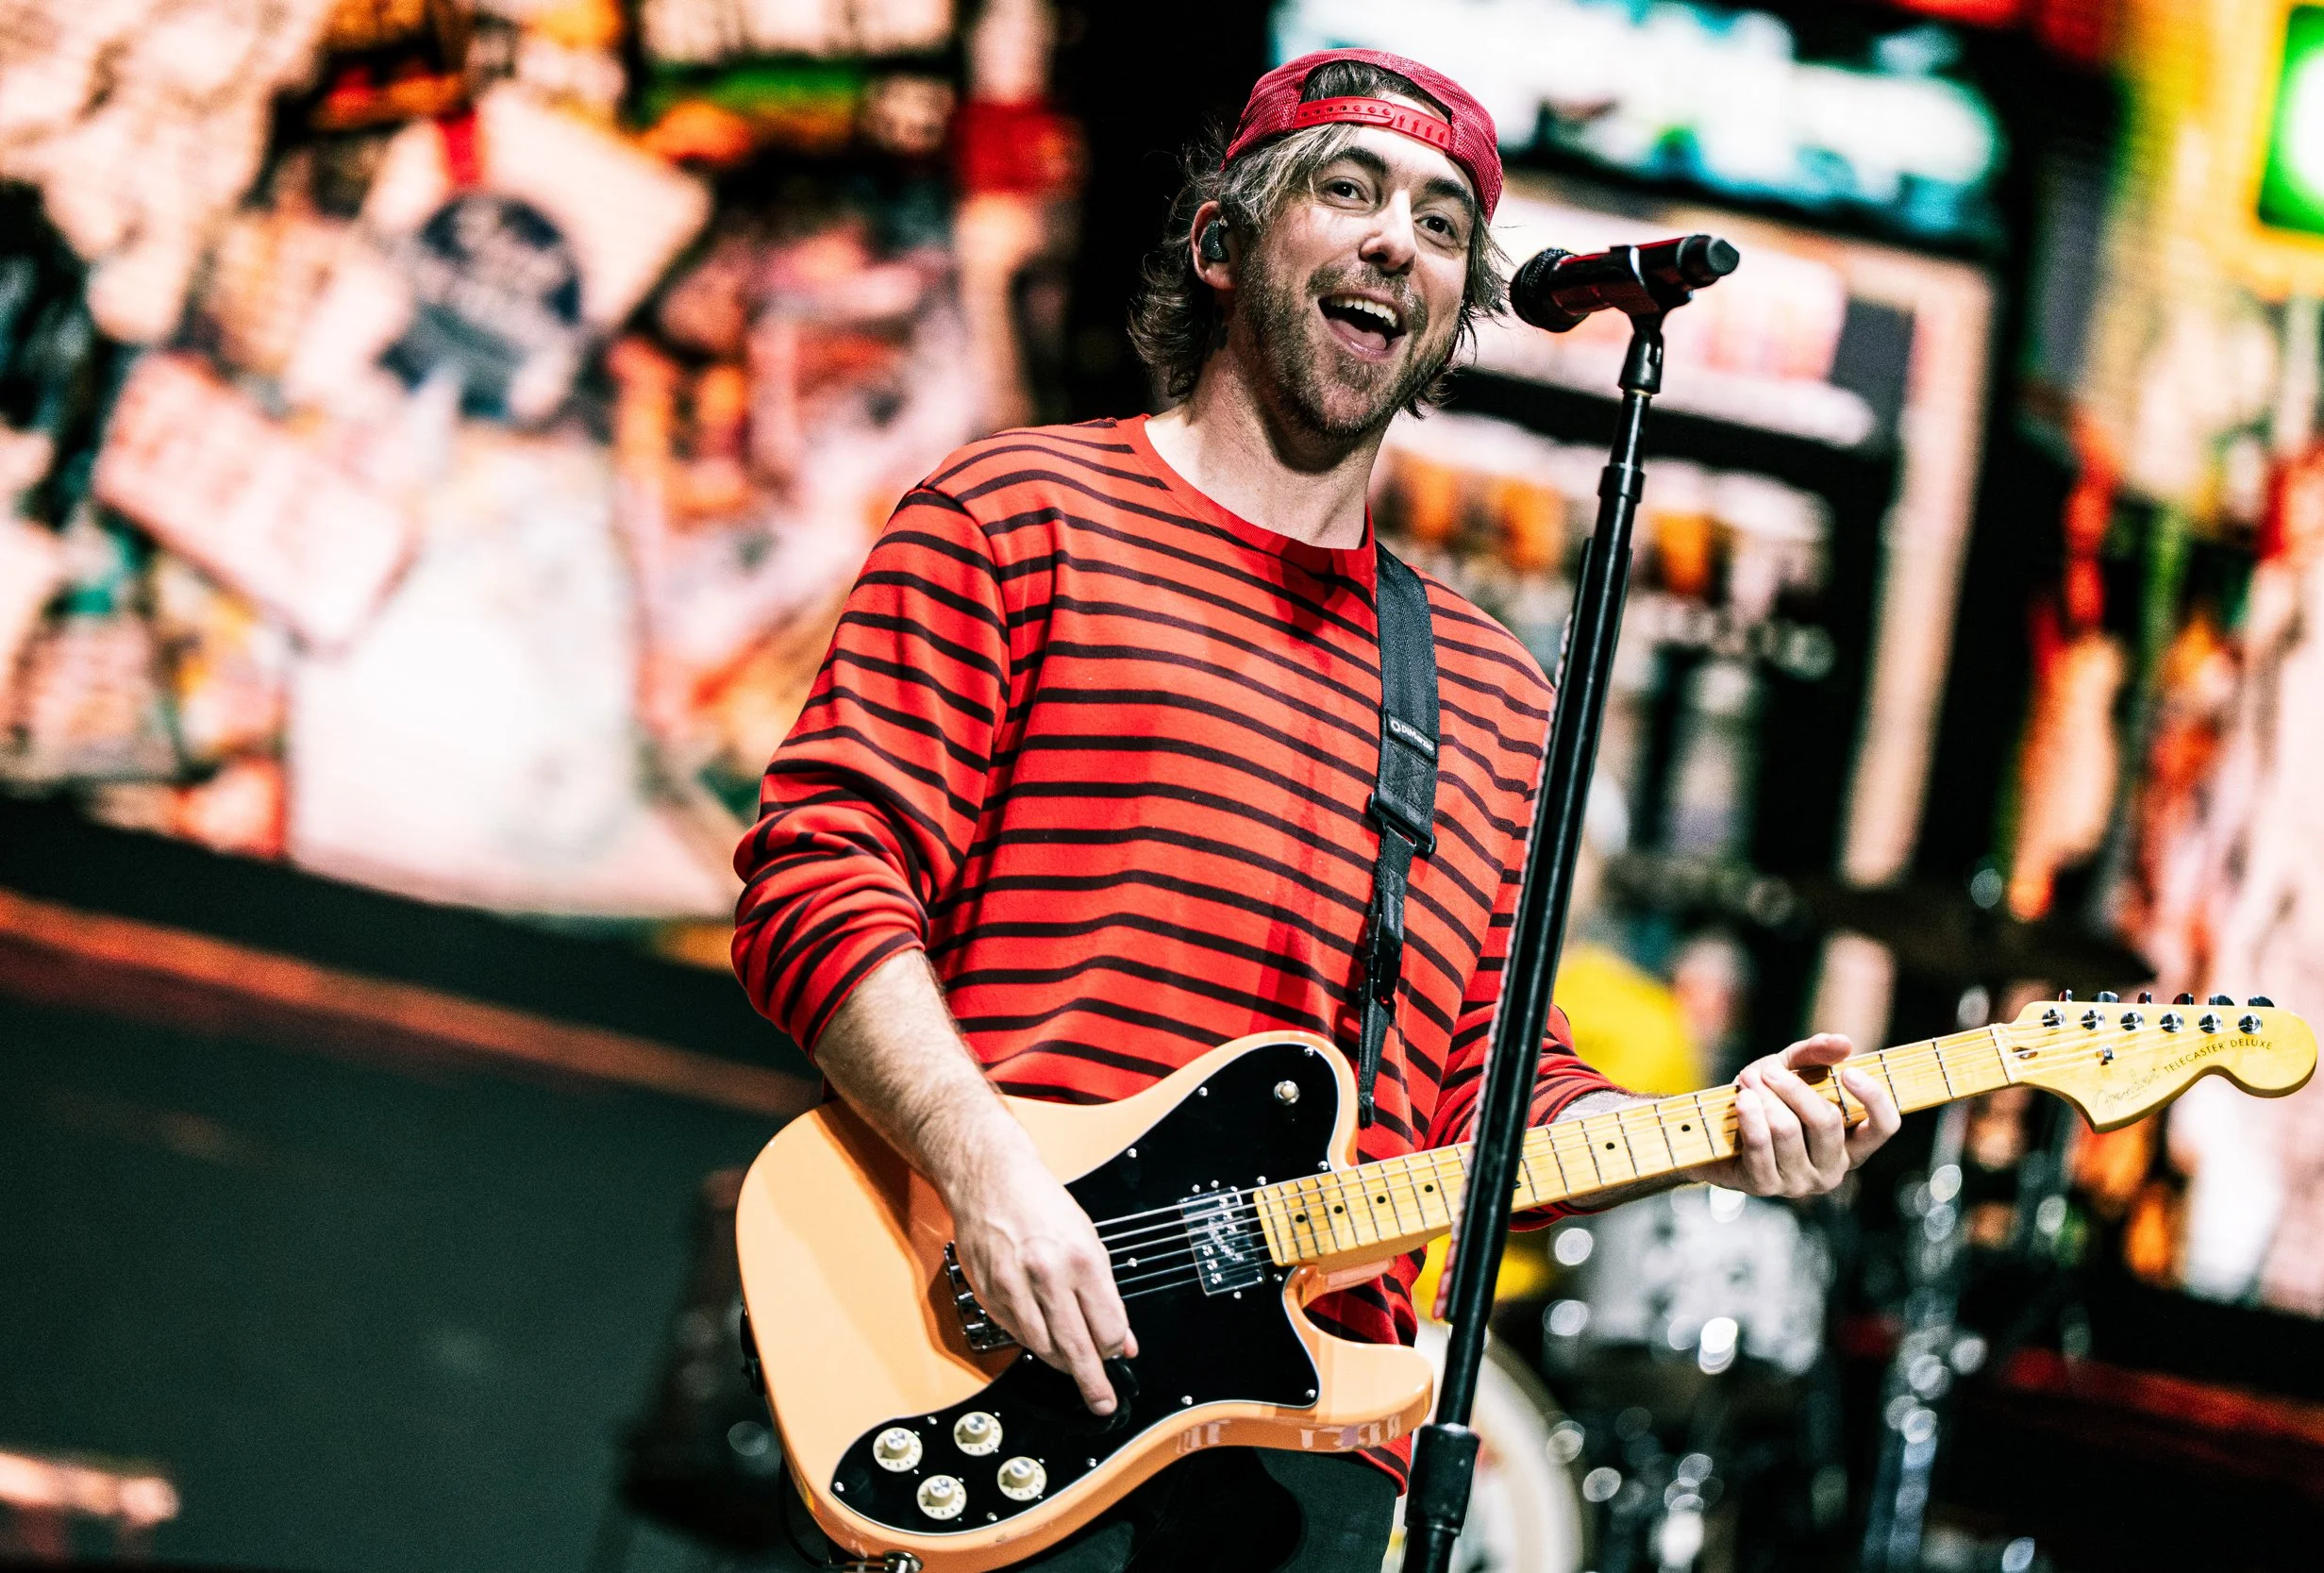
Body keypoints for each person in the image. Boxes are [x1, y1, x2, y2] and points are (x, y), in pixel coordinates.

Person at [732, 46, 1902, 1573]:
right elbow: (822, 871)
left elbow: (1495, 1077)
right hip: (999, 1363)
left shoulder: (1487, 690)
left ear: (1449, 319)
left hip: (1313, 1456)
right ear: (1223, 243)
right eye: (1348, 190)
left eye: (1437, 221)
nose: (1394, 239)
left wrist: (1710, 1135)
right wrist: (983, 1165)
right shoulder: (1016, 513)